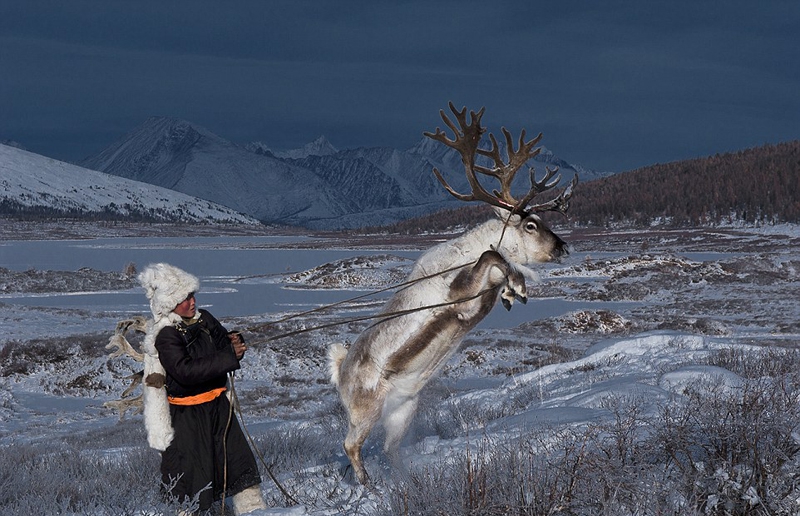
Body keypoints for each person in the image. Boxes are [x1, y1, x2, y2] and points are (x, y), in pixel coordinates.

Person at [138, 263, 267, 515]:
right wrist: (229, 355)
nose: (192, 302)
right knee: (191, 482)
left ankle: (255, 512)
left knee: (239, 467)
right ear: (168, 303)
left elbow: (221, 344)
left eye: (192, 295)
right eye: (184, 298)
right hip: (188, 419)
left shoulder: (205, 319)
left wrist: (234, 342)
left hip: (218, 408)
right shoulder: (165, 336)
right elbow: (185, 372)